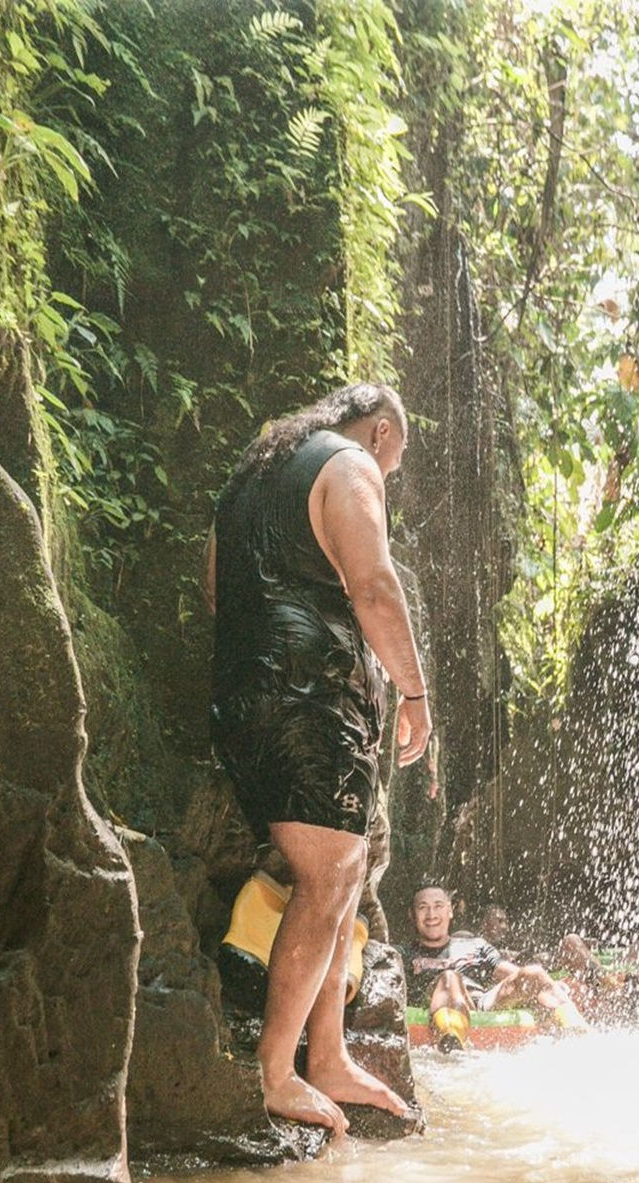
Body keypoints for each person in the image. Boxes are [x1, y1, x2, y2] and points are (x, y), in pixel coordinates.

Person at [206, 382, 427, 1135]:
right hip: (308, 697)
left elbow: (216, 593)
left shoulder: (250, 481)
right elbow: (372, 584)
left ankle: (327, 1054)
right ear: (380, 428)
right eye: (392, 458)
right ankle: (277, 1072)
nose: (387, 474)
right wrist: (414, 693)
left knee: (345, 870)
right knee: (330, 873)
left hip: (242, 698)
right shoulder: (350, 465)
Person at [406, 884, 588, 1050]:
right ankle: (452, 1046)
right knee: (450, 978)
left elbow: (510, 972)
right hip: (437, 1003)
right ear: (412, 915)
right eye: (423, 908)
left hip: (479, 1001)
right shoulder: (403, 954)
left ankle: (581, 1036)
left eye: (438, 906)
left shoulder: (476, 944)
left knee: (534, 972)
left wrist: (547, 984)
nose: (431, 914)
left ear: (450, 911)